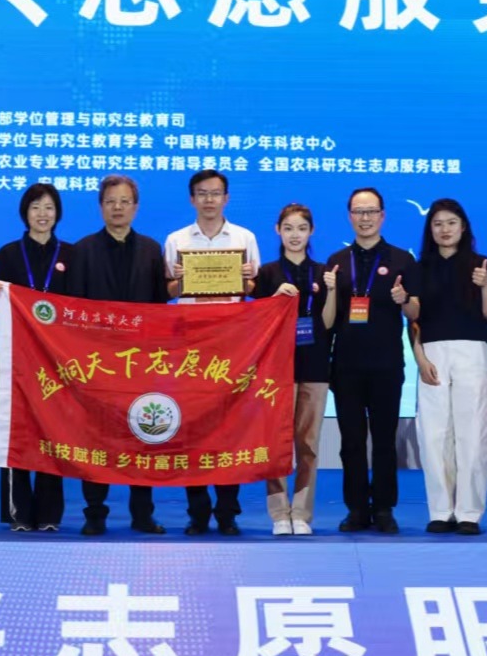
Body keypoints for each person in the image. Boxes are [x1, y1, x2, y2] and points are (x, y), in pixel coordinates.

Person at [68, 174, 170, 536]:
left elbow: (160, 307)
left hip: (141, 362)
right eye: (111, 201)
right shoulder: (81, 250)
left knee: (142, 435)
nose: (117, 208)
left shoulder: (151, 250)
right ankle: (94, 514)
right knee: (96, 439)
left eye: (125, 201)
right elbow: (73, 310)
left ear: (136, 207)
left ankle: (142, 515)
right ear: (100, 206)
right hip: (98, 363)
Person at [163, 169, 261, 535]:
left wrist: (248, 279)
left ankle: (227, 511)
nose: (209, 200)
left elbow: (252, 289)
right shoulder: (175, 240)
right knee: (193, 428)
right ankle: (198, 511)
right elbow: (168, 292)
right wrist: (178, 280)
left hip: (232, 343)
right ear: (192, 199)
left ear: (226, 198)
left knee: (229, 428)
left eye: (215, 193)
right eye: (202, 193)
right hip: (190, 344)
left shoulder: (244, 238)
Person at [322, 186, 418, 534]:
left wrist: (404, 298)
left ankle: (384, 508)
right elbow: (327, 320)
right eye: (358, 212)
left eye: (371, 212)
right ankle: (357, 509)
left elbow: (416, 312)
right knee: (351, 441)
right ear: (350, 216)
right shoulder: (335, 261)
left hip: (386, 364)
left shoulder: (402, 260)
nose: (365, 218)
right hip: (346, 365)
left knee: (384, 440)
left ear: (382, 216)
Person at [409, 198, 487, 536]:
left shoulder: (480, 264)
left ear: (463, 227)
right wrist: (420, 359)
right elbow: (413, 320)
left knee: (472, 432)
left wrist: (485, 285)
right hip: (432, 352)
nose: (444, 229)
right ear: (430, 230)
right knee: (433, 434)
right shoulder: (419, 268)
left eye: (451, 223)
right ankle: (440, 510)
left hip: (471, 351)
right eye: (437, 224)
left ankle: (469, 513)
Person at [0, 182, 74, 531]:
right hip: (17, 359)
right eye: (36, 207)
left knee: (55, 431)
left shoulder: (71, 255)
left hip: (57, 360)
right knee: (18, 430)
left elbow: (79, 307)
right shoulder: (8, 254)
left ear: (58, 214)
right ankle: (19, 511)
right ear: (25, 212)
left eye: (49, 207)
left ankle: (50, 513)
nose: (43, 214)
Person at [253, 203, 335, 536]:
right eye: (288, 228)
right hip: (276, 370)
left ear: (311, 231)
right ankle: (278, 513)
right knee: (276, 443)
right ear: (278, 231)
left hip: (315, 366)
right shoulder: (267, 274)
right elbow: (257, 324)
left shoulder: (324, 272)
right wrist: (274, 297)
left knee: (308, 445)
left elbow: (328, 322)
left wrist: (331, 290)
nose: (295, 235)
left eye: (301, 228)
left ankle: (301, 513)